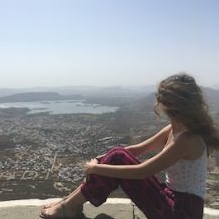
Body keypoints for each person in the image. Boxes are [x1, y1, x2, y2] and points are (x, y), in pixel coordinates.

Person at [40, 73, 219, 219]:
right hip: (172, 201)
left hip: (180, 212)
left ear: (168, 104)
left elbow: (141, 171)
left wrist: (97, 168)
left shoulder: (188, 138)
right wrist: (103, 160)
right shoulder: (175, 128)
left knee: (117, 158)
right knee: (117, 154)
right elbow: (136, 150)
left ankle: (67, 207)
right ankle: (67, 205)